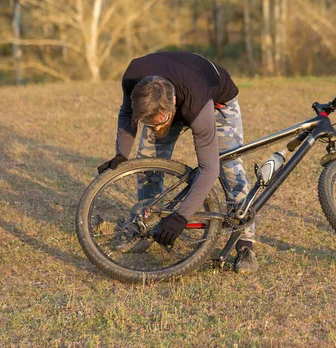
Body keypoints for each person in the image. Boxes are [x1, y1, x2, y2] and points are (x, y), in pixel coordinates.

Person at [98, 51, 258, 273]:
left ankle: (245, 243)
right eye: (147, 122)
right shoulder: (133, 78)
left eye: (158, 122)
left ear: (172, 104)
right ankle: (145, 226)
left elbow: (209, 169)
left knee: (228, 166)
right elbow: (126, 113)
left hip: (216, 100)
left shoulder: (196, 103)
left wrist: (181, 216)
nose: (153, 128)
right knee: (147, 166)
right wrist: (121, 155)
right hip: (173, 94)